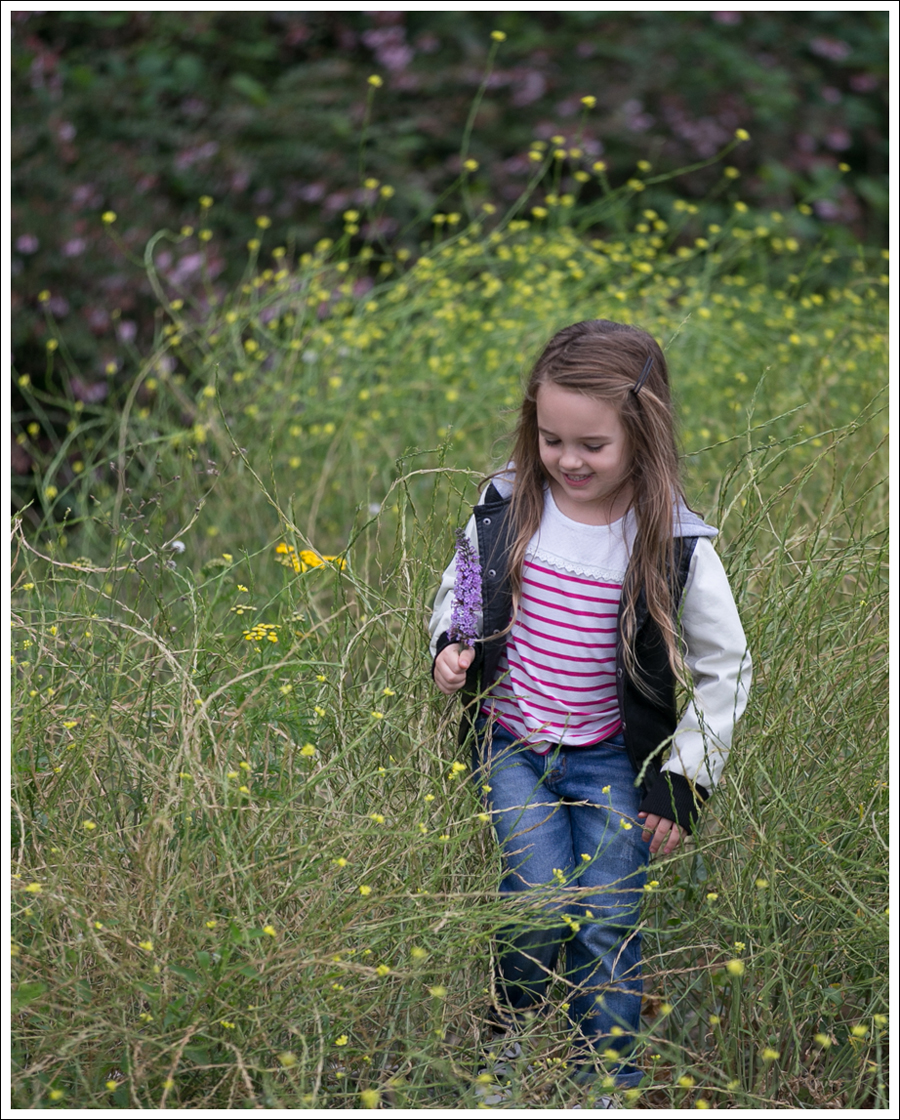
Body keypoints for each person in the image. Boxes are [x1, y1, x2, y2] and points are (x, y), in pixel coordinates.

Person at [428, 319, 751, 1098]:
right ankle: (507, 1042)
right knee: (537, 902)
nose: (568, 461)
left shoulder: (673, 541)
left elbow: (726, 666)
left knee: (605, 918)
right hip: (512, 744)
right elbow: (465, 582)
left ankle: (604, 1076)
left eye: (592, 446)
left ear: (644, 435)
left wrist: (683, 780)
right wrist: (453, 639)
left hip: (612, 757)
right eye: (551, 439)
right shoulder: (510, 504)